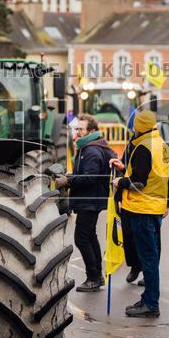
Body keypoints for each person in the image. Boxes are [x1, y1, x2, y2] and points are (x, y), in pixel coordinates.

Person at [110, 110, 169, 317]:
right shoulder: (158, 143)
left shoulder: (142, 147)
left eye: (135, 125)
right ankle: (148, 300)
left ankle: (151, 304)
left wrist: (119, 182)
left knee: (148, 259)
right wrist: (123, 166)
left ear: (139, 126)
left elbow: (138, 182)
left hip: (142, 208)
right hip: (154, 207)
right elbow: (156, 175)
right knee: (150, 257)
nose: (133, 128)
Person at [55, 115, 116, 292]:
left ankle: (93, 278)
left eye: (81, 129)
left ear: (91, 131)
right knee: (90, 236)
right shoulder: (87, 148)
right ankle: (97, 276)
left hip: (90, 201)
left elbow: (91, 177)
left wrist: (68, 180)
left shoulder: (91, 150)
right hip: (89, 200)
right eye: (77, 129)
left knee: (81, 239)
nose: (77, 132)